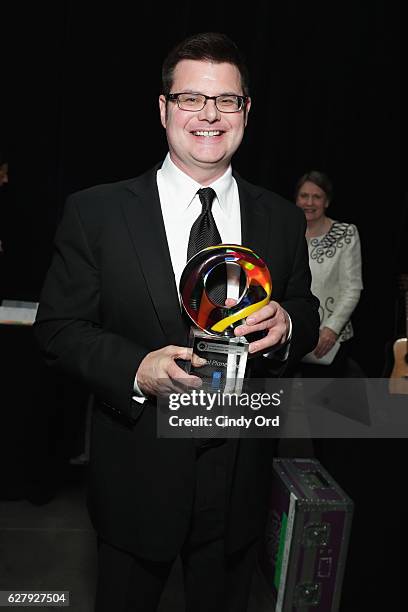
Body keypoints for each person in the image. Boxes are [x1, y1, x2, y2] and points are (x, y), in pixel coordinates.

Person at [34, 32, 319, 612]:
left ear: (246, 112)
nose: (209, 115)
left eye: (226, 101)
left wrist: (289, 324)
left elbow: (307, 310)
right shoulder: (97, 213)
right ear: (163, 109)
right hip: (138, 479)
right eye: (190, 98)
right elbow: (58, 330)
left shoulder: (283, 221)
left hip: (240, 479)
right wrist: (138, 368)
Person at [295, 170, 363, 376]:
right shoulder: (288, 232)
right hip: (290, 336)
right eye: (304, 196)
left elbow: (352, 288)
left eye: (317, 197)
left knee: (320, 405)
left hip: (329, 340)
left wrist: (332, 329)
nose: (309, 202)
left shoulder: (345, 233)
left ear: (327, 202)